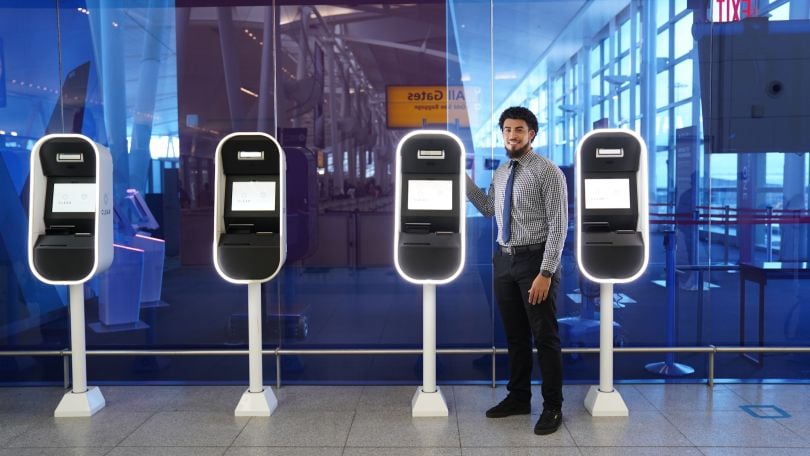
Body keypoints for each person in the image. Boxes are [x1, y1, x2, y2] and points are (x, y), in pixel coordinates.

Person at [466, 106, 568, 435]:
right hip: (504, 261)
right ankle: (519, 398)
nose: (513, 135)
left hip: (534, 263)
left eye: (519, 130)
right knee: (515, 337)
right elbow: (485, 208)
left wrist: (546, 272)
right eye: (508, 129)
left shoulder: (547, 171)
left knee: (545, 337)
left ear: (532, 134)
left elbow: (559, 226)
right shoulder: (501, 171)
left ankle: (553, 407)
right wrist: (460, 178)